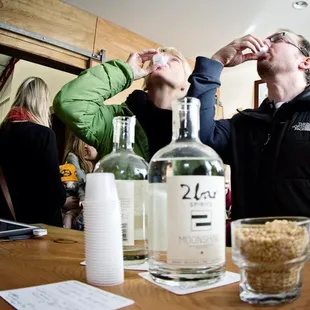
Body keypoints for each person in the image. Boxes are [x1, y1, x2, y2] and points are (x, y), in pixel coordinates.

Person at [187, 29, 310, 223]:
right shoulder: (243, 123)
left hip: (304, 251)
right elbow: (194, 138)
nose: (266, 42)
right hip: (250, 249)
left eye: (278, 38)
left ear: (305, 62)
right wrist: (216, 62)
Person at [53, 47, 192, 162]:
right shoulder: (116, 121)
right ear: (146, 83)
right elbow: (71, 103)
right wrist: (127, 71)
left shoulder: (196, 129)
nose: (162, 59)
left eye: (174, 59)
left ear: (186, 86)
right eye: (159, 57)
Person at [0, 77, 66, 226]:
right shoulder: (44, 135)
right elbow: (55, 191)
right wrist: (65, 198)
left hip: (7, 222)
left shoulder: (2, 132)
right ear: (41, 103)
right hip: (40, 226)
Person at [61, 132, 97, 229]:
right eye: (83, 143)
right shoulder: (72, 157)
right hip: (75, 202)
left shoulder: (99, 164)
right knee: (69, 216)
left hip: (84, 206)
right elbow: (81, 180)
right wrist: (83, 197)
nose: (85, 146)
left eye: (89, 143)